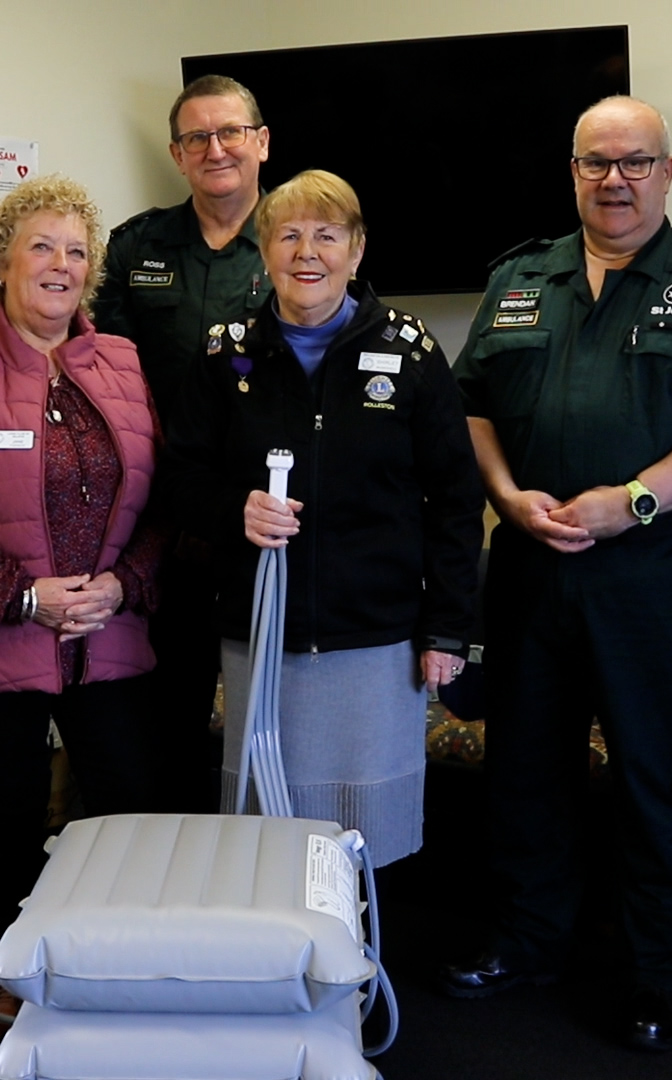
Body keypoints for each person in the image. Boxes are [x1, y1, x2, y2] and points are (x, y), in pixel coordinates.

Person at [440, 96, 672, 1052]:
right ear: (573, 173)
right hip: (528, 567)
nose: (616, 180)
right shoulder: (521, 278)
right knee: (525, 772)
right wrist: (508, 494)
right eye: (597, 163)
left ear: (667, 172)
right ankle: (528, 942)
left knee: (658, 777)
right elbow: (469, 403)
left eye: (636, 162)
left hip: (656, 574)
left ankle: (661, 972)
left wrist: (634, 500)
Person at [0, 174, 165, 1047]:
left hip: (110, 631)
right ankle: (13, 976)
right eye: (42, 247)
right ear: (1, 264)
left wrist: (124, 584)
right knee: (11, 812)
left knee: (125, 802)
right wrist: (24, 597)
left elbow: (168, 498)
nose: (60, 265)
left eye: (76, 252)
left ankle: (107, 962)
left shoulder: (125, 363)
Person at [164, 169, 482, 867]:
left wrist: (449, 628)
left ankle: (358, 966)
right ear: (265, 249)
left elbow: (456, 498)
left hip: (375, 640)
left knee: (365, 835)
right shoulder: (225, 353)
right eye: (289, 235)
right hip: (261, 635)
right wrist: (233, 509)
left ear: (357, 250)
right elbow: (179, 475)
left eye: (327, 236)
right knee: (265, 835)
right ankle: (275, 966)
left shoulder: (410, 354)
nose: (308, 252)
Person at [96, 75, 272, 810]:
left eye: (231, 131)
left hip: (265, 523)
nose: (216, 148)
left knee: (267, 725)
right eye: (197, 137)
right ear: (176, 153)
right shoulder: (138, 244)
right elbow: (99, 366)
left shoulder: (301, 237)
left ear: (262, 142)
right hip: (159, 523)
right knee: (165, 720)